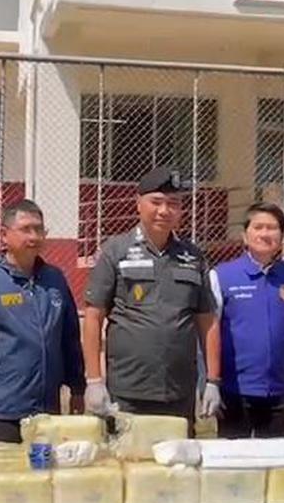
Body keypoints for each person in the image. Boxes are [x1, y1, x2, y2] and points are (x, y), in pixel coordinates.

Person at [83, 167, 221, 427]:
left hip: (179, 391)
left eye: (173, 203)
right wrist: (94, 381)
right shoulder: (115, 251)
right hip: (128, 390)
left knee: (178, 453)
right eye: (156, 202)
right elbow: (93, 316)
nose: (164, 211)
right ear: (138, 204)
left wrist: (213, 380)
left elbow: (208, 322)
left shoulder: (193, 257)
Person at [0, 200, 85, 443]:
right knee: (7, 468)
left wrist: (78, 388)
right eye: (25, 229)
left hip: (48, 410)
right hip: (4, 412)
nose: (34, 236)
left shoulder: (54, 279)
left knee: (45, 466)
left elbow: (69, 339)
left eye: (39, 229)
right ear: (4, 235)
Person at [209, 203, 284, 438]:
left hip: (278, 392)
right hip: (235, 391)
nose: (265, 234)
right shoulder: (222, 275)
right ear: (245, 235)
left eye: (272, 228)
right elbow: (210, 332)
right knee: (234, 458)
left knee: (276, 458)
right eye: (258, 227)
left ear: (282, 237)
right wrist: (211, 383)